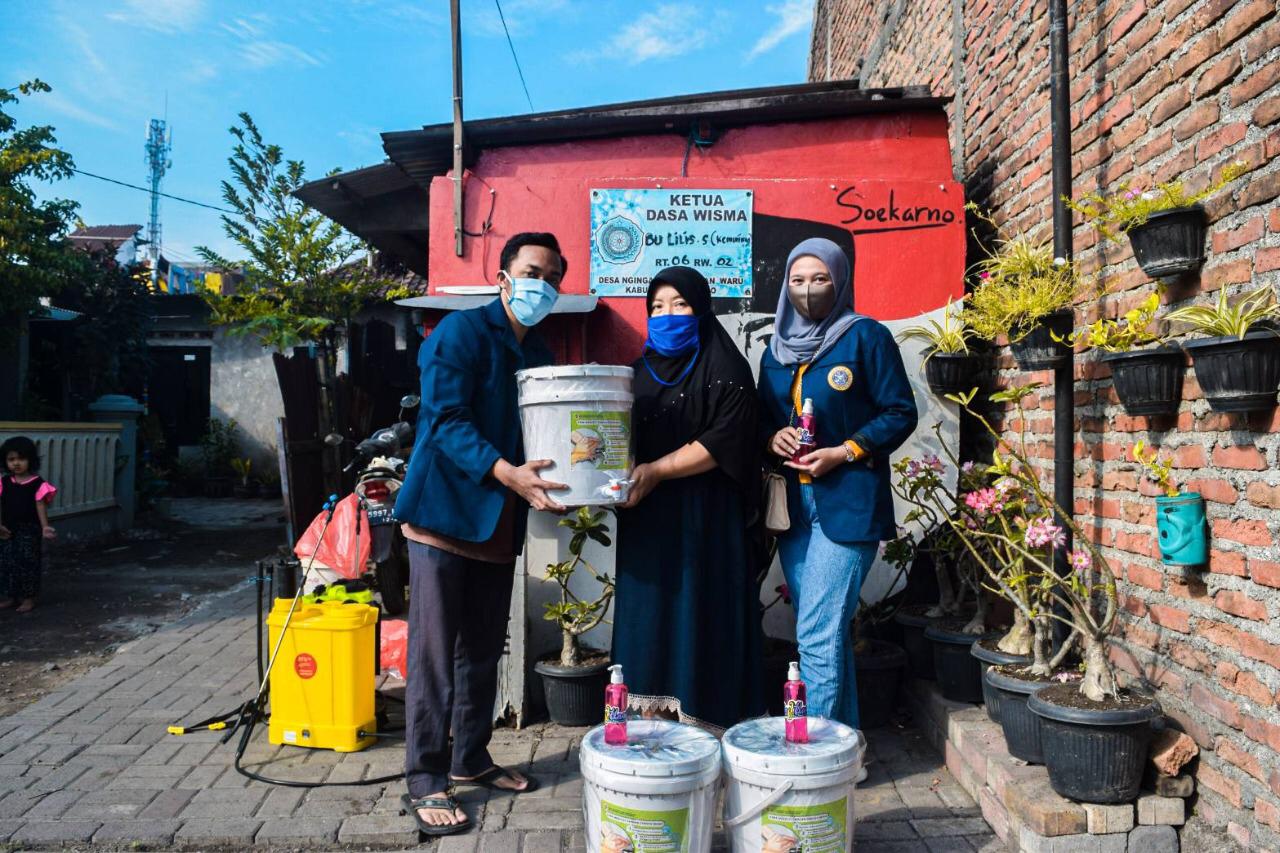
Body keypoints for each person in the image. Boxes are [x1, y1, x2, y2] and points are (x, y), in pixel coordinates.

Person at [393, 233, 569, 836]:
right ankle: (423, 777)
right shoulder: (459, 334)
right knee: (435, 655)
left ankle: (470, 757)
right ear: (502, 276)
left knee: (484, 651)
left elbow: (544, 435)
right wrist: (507, 473)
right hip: (444, 514)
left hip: (498, 520)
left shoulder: (539, 350)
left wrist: (566, 483)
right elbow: (445, 420)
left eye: (550, 275)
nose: (538, 284)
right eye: (529, 271)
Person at [757, 238, 918, 730]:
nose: (807, 290)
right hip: (795, 510)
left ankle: (815, 756)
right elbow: (763, 420)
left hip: (847, 503)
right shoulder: (775, 350)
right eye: (797, 280)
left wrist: (846, 451)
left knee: (815, 634)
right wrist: (773, 439)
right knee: (824, 633)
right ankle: (846, 746)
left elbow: (900, 412)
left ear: (840, 280)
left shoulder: (865, 337)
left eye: (820, 278)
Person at [613, 266, 764, 731]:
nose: (667, 315)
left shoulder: (726, 369)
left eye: (679, 304)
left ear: (701, 308)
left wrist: (658, 470)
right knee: (649, 613)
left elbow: (727, 438)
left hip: (707, 517)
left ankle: (707, 716)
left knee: (703, 610)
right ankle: (649, 718)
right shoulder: (634, 375)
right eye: (657, 307)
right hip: (647, 518)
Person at [0, 436, 57, 614]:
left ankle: (28, 598)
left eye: (21, 459)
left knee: (28, 562)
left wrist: (45, 527)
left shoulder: (38, 484)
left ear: (30, 461)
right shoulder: (4, 483)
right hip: (6, 530)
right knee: (7, 562)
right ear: (5, 462)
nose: (16, 463)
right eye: (11, 459)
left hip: (29, 529)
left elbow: (40, 505)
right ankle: (10, 596)